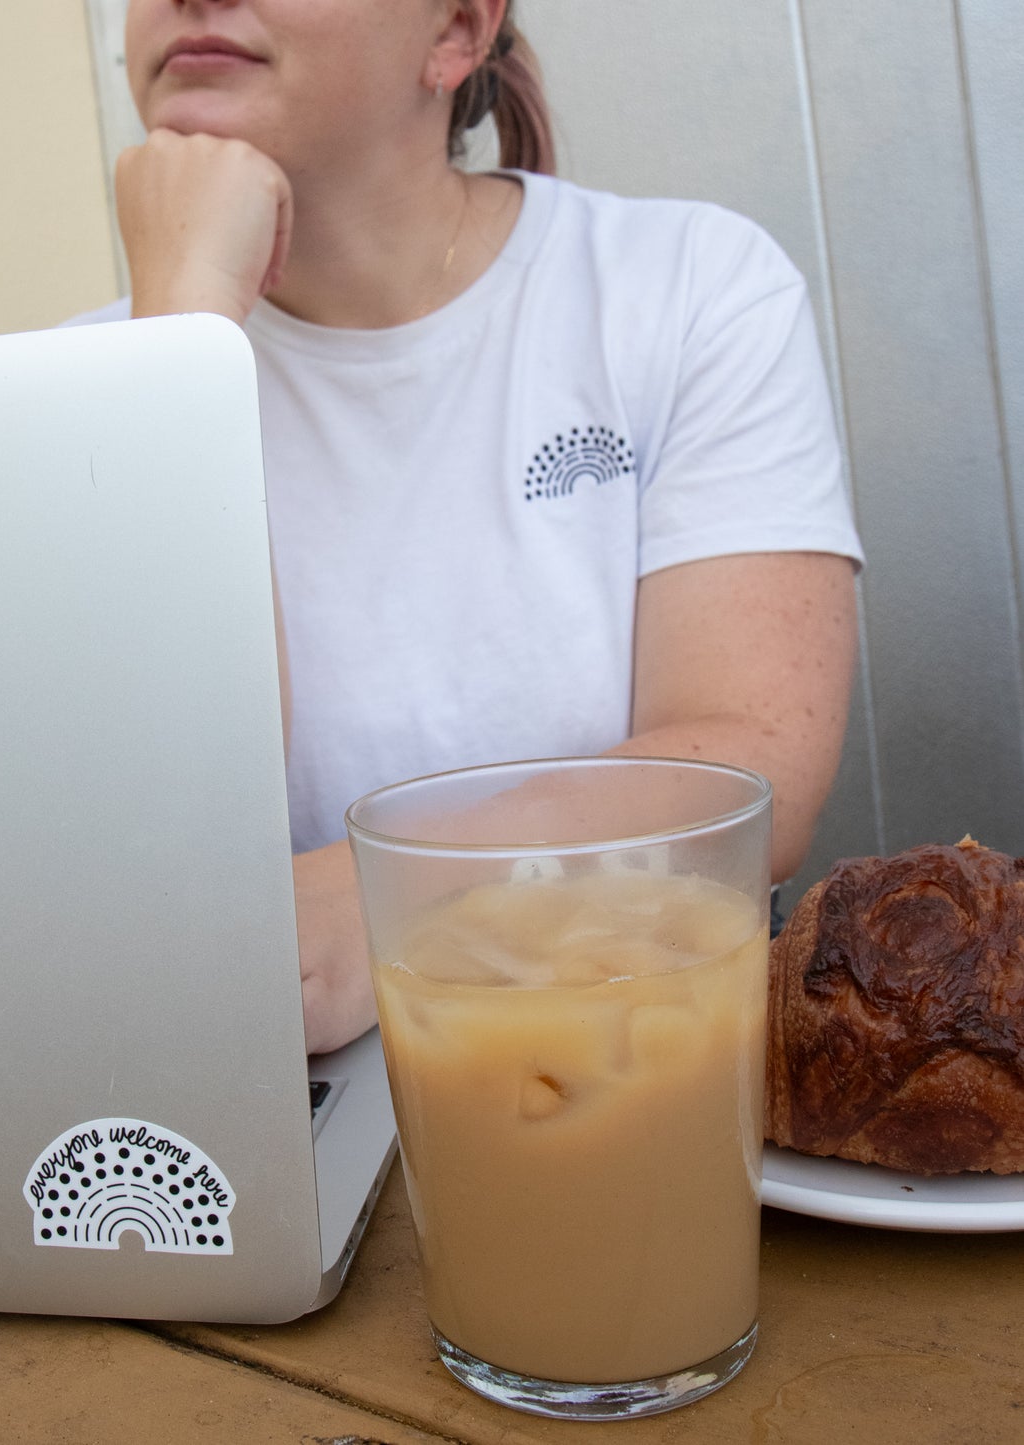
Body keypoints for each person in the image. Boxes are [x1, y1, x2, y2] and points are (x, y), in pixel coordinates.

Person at [75, 0, 863, 1054]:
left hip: (626, 1050)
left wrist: (388, 893)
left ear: (453, 30)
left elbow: (748, 768)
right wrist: (181, 335)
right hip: (251, 1083)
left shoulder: (684, 287)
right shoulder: (80, 390)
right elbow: (149, 861)